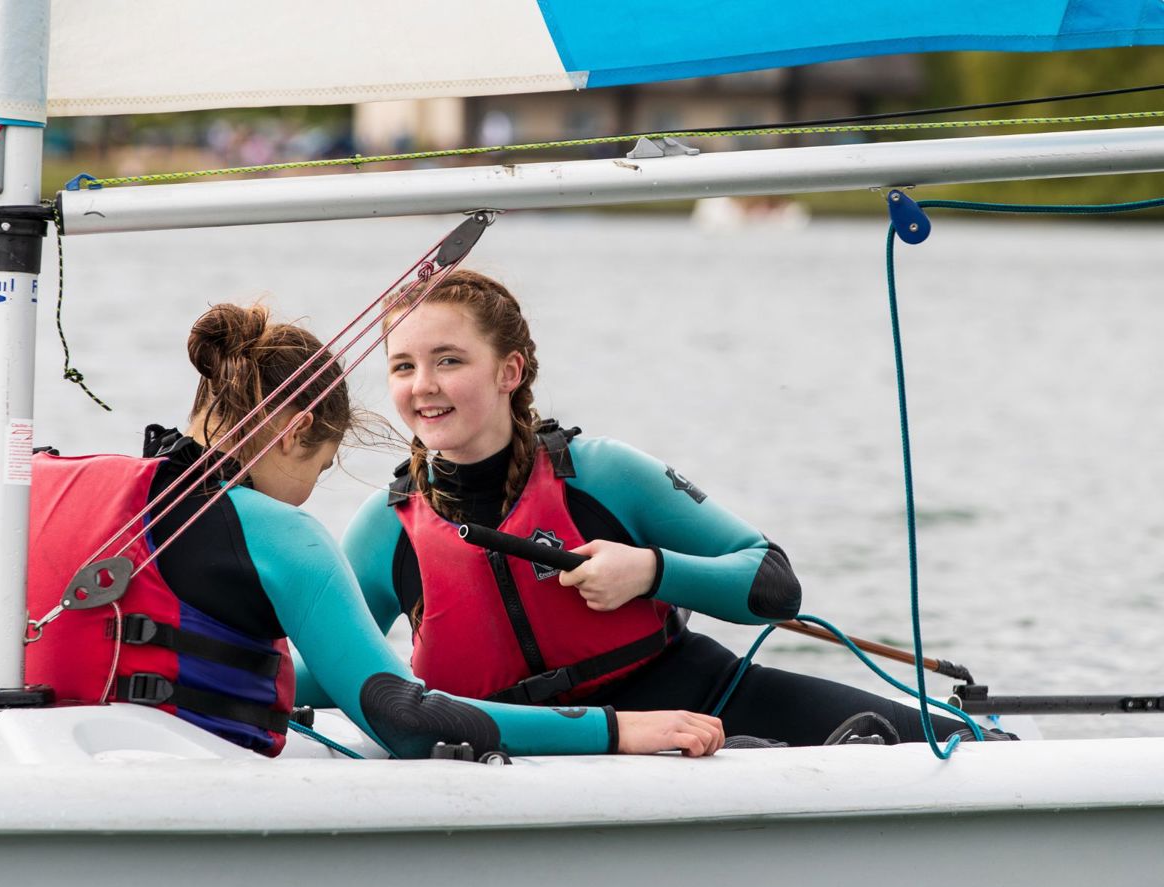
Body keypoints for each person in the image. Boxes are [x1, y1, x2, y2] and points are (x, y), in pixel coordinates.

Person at [0, 302, 723, 760]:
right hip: (164, 786)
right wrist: (616, 732)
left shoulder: (42, 491)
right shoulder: (282, 536)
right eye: (323, 467)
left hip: (19, 769)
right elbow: (404, 719)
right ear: (295, 433)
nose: (312, 493)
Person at [342, 270, 988, 747]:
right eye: (402, 367)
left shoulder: (601, 474)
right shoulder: (385, 528)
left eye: (448, 360)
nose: (422, 385)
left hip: (705, 697)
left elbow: (774, 586)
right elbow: (333, 673)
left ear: (509, 372)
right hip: (520, 747)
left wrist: (649, 571)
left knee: (973, 750)